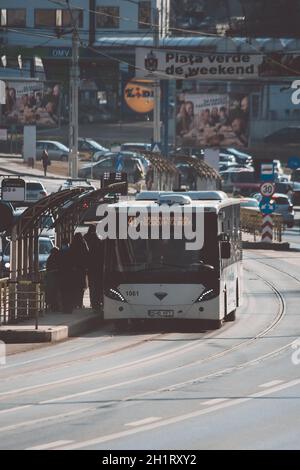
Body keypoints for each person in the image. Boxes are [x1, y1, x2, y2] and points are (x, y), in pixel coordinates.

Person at [84, 225, 104, 311]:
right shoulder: (98, 240)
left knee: (92, 286)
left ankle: (93, 303)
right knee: (98, 286)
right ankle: (97, 303)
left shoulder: (85, 238)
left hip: (89, 267)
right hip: (98, 268)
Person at [69, 233, 89, 309]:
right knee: (81, 288)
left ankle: (75, 303)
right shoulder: (83, 245)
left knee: (75, 287)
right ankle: (80, 303)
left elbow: (70, 257)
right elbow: (87, 256)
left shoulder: (72, 246)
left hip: (74, 270)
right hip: (81, 270)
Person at [57, 239, 73, 313]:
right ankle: (69, 308)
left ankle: (65, 308)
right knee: (69, 292)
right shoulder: (71, 252)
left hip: (62, 275)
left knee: (63, 293)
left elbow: (58, 264)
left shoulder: (60, 253)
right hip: (69, 275)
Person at [45, 247, 60, 311]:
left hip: (50, 278)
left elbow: (47, 268)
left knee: (51, 292)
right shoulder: (58, 258)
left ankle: (52, 305)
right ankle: (55, 306)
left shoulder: (49, 259)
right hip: (55, 277)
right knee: (56, 292)